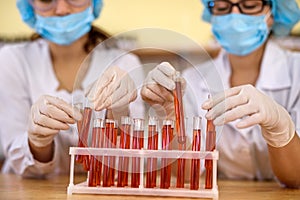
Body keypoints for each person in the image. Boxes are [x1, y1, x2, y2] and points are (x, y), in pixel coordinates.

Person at [141, 0, 300, 188]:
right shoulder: (192, 79)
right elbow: (185, 174)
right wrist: (171, 118)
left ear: (272, 14)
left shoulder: (296, 71)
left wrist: (280, 128)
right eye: (222, 6)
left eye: (249, 5)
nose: (234, 15)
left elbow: (296, 178)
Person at [0, 0, 143, 178]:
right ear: (29, 5)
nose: (62, 10)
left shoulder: (124, 63)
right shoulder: (11, 60)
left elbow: (132, 160)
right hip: (28, 189)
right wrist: (37, 143)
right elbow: (17, 157)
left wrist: (120, 114)